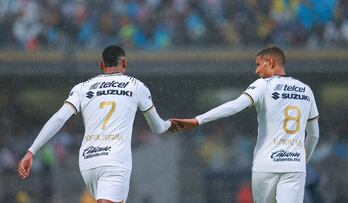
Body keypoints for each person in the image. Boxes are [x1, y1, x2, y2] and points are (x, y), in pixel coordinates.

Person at [18, 45, 173, 203]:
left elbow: (59, 118)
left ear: (101, 64)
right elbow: (158, 127)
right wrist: (170, 124)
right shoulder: (136, 86)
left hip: (89, 162)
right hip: (115, 159)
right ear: (124, 64)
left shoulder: (82, 88)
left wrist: (32, 151)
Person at [171, 46, 320, 203]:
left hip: (266, 165)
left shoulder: (264, 85)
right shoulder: (306, 90)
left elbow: (235, 106)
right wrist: (301, 161)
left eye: (258, 64)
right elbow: (314, 135)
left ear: (270, 62)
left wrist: (198, 120)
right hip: (294, 166)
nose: (256, 71)